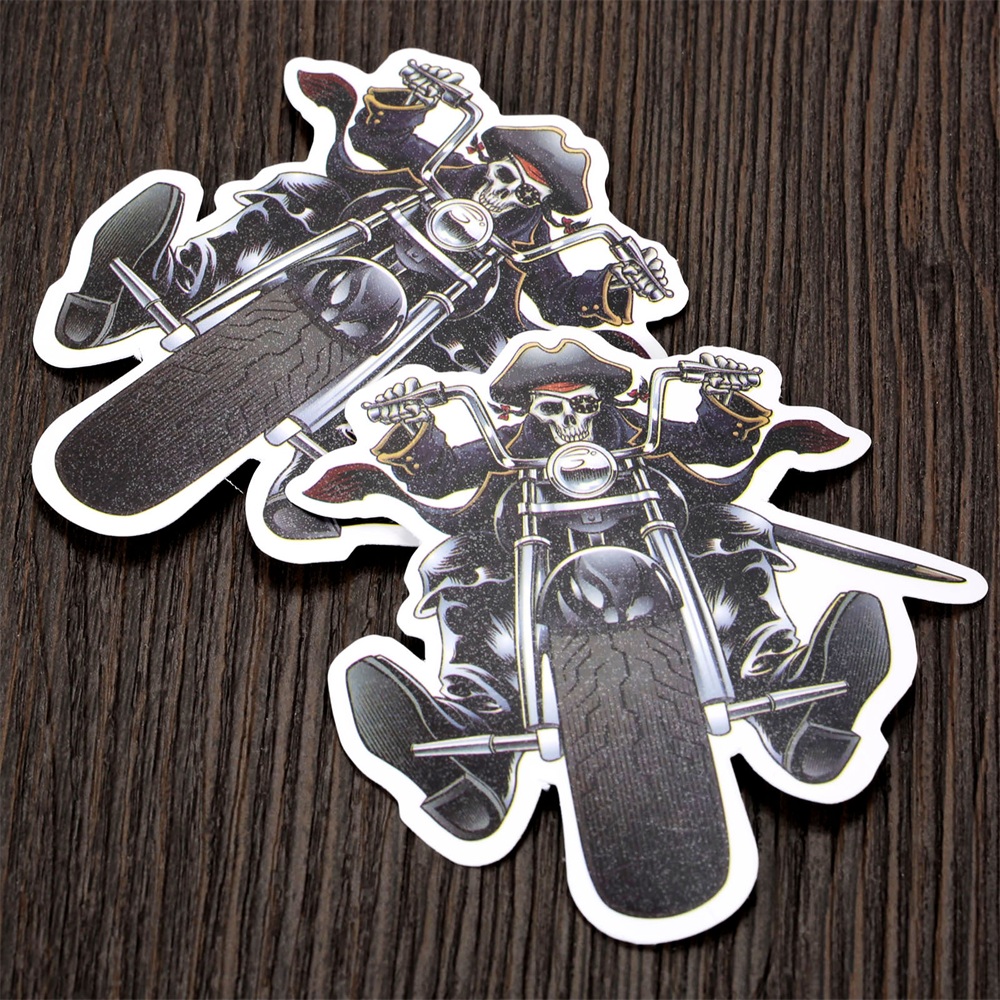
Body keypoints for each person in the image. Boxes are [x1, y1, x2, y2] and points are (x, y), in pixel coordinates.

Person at [305, 340, 891, 840]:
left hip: (658, 527)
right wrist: (415, 428)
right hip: (527, 547)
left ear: (605, 402)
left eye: (585, 405)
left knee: (735, 529)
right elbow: (439, 473)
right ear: (526, 411)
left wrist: (722, 399)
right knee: (458, 564)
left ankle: (790, 697)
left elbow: (717, 444)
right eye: (551, 408)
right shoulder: (504, 448)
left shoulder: (641, 432)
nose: (571, 422)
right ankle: (471, 736)